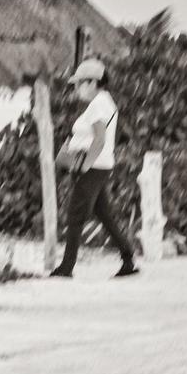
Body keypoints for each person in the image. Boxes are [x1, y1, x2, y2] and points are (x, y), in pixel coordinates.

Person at [47, 58, 138, 279]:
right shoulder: (103, 102)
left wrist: (84, 166)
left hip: (93, 167)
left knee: (75, 215)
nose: (76, 88)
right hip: (98, 166)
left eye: (79, 83)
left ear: (92, 82)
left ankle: (67, 267)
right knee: (104, 214)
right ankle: (127, 257)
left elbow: (99, 139)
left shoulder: (99, 104)